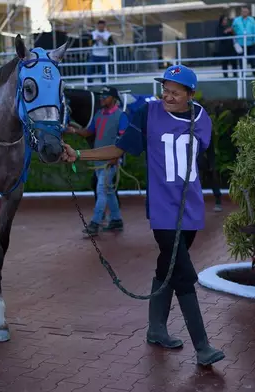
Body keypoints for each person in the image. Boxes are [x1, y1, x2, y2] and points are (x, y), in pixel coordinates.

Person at [61, 64, 226, 366]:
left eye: (176, 92)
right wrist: (80, 154)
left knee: (168, 266)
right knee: (184, 274)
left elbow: (196, 156)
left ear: (190, 94)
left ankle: (156, 329)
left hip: (190, 208)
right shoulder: (147, 114)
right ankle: (203, 347)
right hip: (164, 210)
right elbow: (119, 150)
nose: (168, 96)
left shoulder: (201, 117)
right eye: (165, 90)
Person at [66, 86, 126, 235]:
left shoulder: (121, 116)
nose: (102, 98)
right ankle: (116, 220)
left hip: (110, 161)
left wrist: (116, 157)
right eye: (101, 96)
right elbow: (88, 132)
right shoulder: (99, 114)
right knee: (109, 191)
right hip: (98, 160)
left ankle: (95, 223)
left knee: (101, 190)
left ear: (114, 98)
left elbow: (124, 139)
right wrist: (73, 130)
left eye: (105, 96)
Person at [231, 6, 255, 75]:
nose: (244, 13)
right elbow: (233, 30)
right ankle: (242, 75)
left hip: (251, 43)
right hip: (240, 43)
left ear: (248, 12)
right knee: (241, 61)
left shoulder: (252, 20)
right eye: (243, 11)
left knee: (253, 60)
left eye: (246, 11)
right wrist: (235, 41)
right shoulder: (236, 20)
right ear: (241, 12)